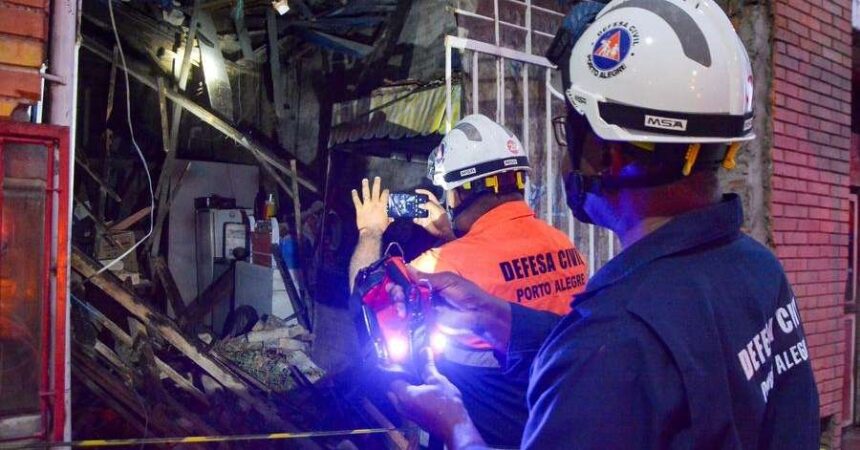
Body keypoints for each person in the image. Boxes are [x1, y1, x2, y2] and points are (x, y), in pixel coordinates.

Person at [387, 0, 821, 449]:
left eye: (569, 130)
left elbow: (616, 352)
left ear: (602, 152)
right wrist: (493, 315)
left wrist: (455, 426)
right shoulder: (756, 268)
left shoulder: (615, 336)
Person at [349, 114, 588, 447]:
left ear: (459, 193)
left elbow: (367, 304)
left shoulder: (443, 264)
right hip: (559, 428)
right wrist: (449, 234)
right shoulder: (565, 245)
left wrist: (370, 231)